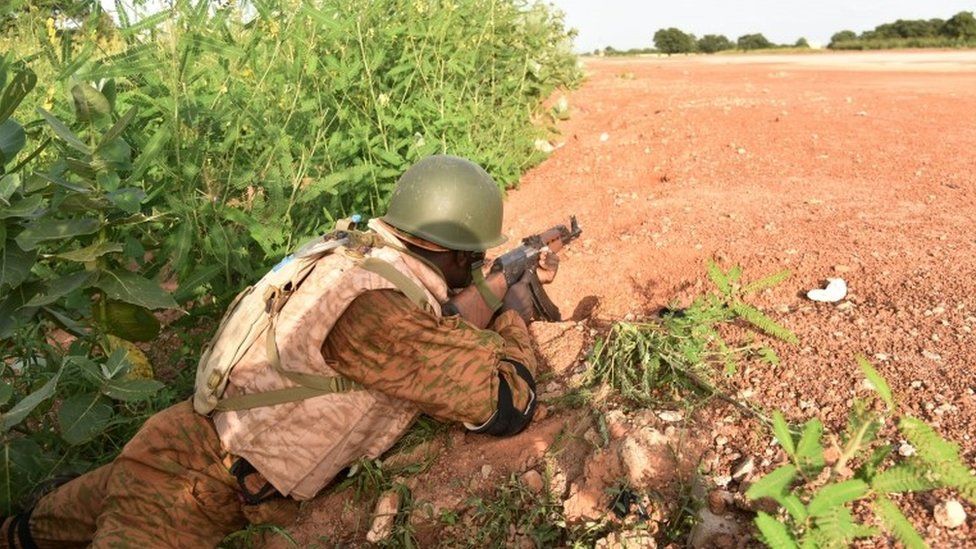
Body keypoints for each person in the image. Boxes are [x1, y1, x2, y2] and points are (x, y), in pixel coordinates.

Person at [0, 154, 556, 548]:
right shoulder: (380, 312)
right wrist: (510, 314)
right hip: (192, 491)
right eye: (476, 261)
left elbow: (431, 318)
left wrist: (482, 293)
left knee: (28, 534)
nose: (478, 270)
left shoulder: (353, 254)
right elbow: (507, 403)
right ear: (456, 256)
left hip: (174, 446)